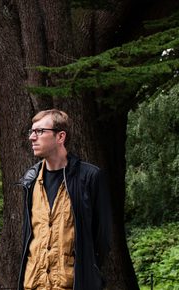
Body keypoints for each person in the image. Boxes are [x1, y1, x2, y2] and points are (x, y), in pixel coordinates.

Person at [18, 109, 112, 290]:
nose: (32, 137)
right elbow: (29, 235)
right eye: (32, 131)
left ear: (60, 137)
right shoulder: (30, 180)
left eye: (39, 131)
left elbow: (103, 238)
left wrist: (88, 272)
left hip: (71, 285)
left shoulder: (90, 177)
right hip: (34, 284)